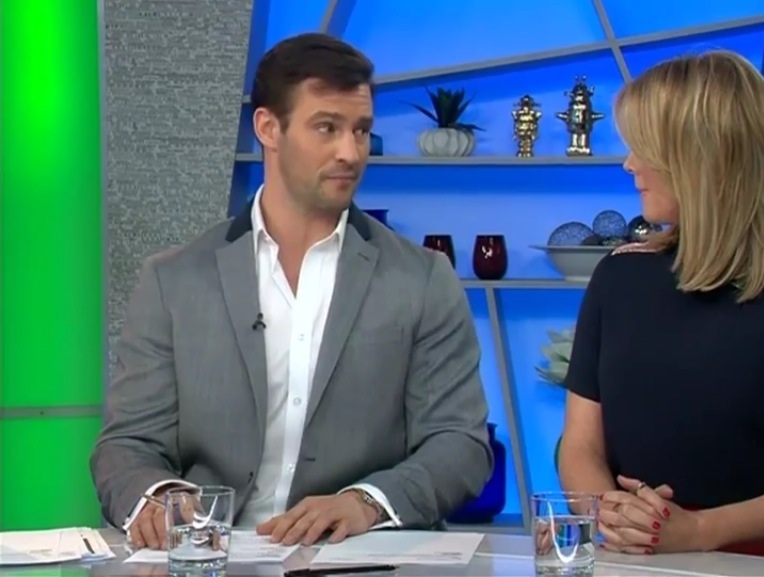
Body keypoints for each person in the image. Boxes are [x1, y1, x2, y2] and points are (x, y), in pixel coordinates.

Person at [91, 32, 493, 551]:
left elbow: (460, 445)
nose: (350, 152)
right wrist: (160, 496)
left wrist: (366, 503)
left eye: (361, 130)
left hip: (358, 556)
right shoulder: (175, 281)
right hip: (211, 555)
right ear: (268, 128)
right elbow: (127, 446)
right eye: (326, 128)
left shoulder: (422, 279)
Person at [557, 50, 764, 568]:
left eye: (645, 148)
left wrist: (699, 530)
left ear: (703, 156)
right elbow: (579, 446)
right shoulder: (619, 276)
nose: (629, 164)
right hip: (639, 557)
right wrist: (610, 514)